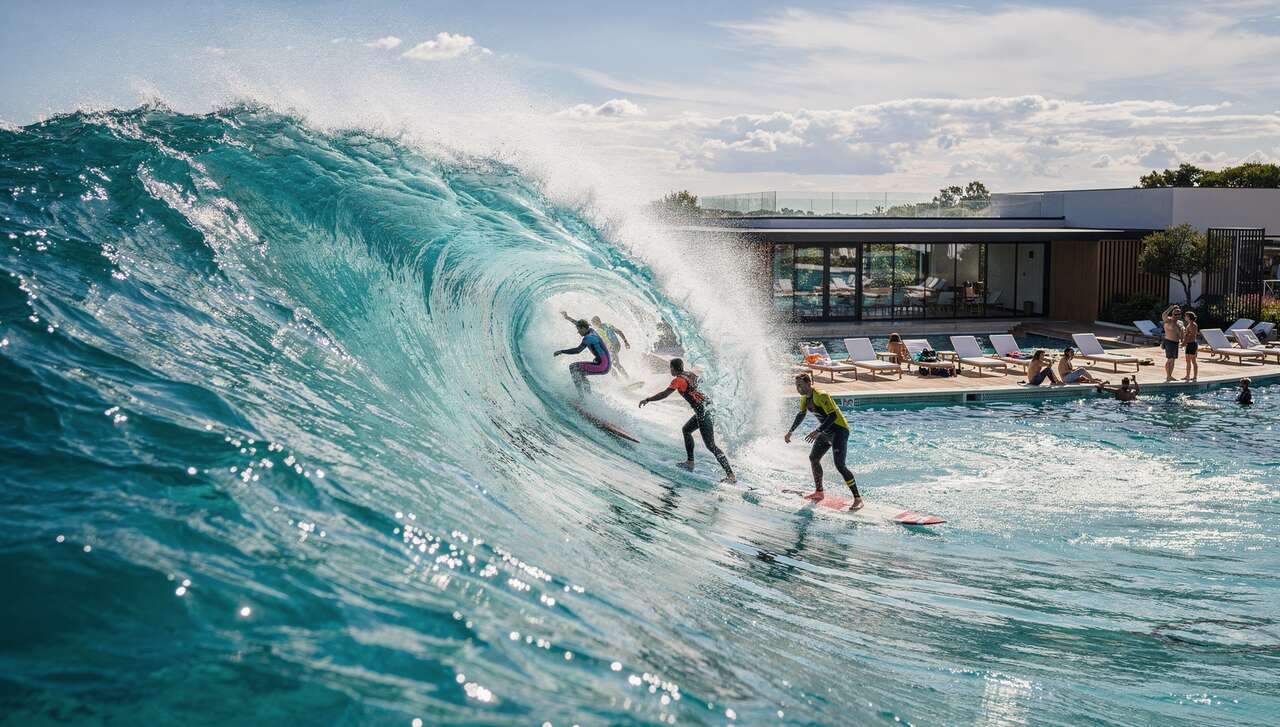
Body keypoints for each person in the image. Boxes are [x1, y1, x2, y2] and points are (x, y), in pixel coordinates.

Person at [638, 358, 736, 482]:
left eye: (670, 368)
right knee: (686, 430)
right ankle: (690, 462)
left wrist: (648, 399)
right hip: (707, 408)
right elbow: (700, 383)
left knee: (711, 445)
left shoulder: (678, 380)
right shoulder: (690, 374)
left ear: (673, 368)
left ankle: (731, 476)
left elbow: (665, 394)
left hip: (703, 412)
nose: (670, 370)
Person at [785, 373, 862, 510]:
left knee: (840, 465)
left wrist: (818, 431)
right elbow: (801, 414)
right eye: (796, 386)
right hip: (826, 431)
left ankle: (857, 498)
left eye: (801, 385)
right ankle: (819, 492)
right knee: (814, 458)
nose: (798, 388)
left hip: (839, 430)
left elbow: (832, 416)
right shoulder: (804, 399)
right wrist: (791, 431)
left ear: (809, 383)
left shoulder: (821, 395)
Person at [562, 311, 631, 378]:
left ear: (598, 321)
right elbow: (578, 324)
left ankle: (625, 380)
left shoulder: (602, 328)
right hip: (613, 347)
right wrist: (567, 317)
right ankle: (623, 380)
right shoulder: (602, 328)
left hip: (613, 347)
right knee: (611, 365)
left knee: (613, 364)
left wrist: (625, 341)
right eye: (594, 323)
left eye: (595, 322)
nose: (595, 324)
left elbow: (618, 331)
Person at [554, 319, 610, 396]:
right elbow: (578, 323)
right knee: (580, 373)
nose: (578, 332)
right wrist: (567, 317)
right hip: (605, 364)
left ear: (583, 328)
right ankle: (588, 397)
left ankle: (581, 397)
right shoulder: (591, 330)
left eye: (578, 329)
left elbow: (577, 350)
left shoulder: (589, 338)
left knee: (573, 367)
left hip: (602, 365)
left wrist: (561, 351)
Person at [1161, 304, 1184, 382]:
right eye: (1175, 314)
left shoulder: (1180, 323)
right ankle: (1168, 376)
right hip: (1169, 342)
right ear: (1172, 314)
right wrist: (1170, 308)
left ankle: (1170, 376)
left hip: (1176, 343)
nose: (1177, 315)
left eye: (1178, 314)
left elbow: (1181, 334)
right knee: (1170, 359)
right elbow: (1164, 314)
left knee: (1173, 360)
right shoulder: (1168, 320)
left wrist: (1183, 341)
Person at [1182, 310, 1200, 382]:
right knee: (1187, 361)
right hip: (1189, 344)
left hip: (1192, 344)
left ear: (1189, 317)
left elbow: (1191, 335)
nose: (1185, 317)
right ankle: (1187, 376)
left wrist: (1184, 342)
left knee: (1193, 361)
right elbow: (1187, 334)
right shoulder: (1189, 325)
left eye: (1186, 316)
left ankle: (1195, 376)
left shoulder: (1193, 325)